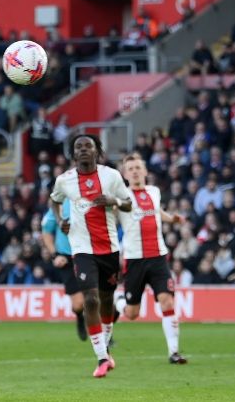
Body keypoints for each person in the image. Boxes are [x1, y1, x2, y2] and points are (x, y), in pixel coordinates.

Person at [50, 134, 132, 378]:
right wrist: (60, 221)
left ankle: (105, 346)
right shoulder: (64, 181)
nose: (84, 149)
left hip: (109, 248)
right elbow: (53, 201)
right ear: (73, 154)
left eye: (88, 146)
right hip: (82, 249)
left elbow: (128, 203)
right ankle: (101, 358)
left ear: (97, 151)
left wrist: (113, 201)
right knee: (91, 300)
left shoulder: (112, 176)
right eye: (79, 147)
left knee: (107, 300)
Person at [113, 154, 187, 364]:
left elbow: (156, 211)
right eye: (131, 169)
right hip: (134, 259)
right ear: (125, 175)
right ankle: (117, 302)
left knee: (167, 300)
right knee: (132, 313)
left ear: (145, 171)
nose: (135, 171)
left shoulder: (154, 192)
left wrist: (171, 218)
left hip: (158, 257)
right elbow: (110, 215)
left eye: (138, 167)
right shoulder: (122, 197)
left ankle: (174, 352)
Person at [42, 199, 86, 341]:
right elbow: (47, 231)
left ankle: (105, 336)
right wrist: (55, 255)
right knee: (79, 304)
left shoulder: (88, 199)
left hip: (88, 254)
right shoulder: (59, 205)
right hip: (66, 258)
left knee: (94, 298)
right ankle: (80, 316)